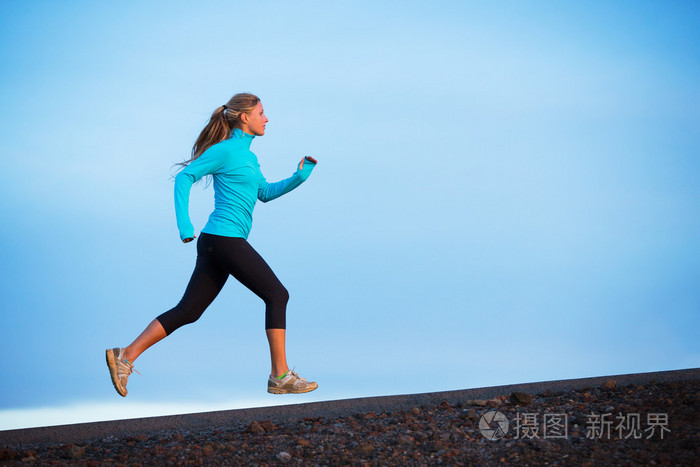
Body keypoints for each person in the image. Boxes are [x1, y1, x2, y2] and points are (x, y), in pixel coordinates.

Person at [106, 93, 318, 397]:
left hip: (219, 243)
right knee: (277, 294)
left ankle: (124, 355)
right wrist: (184, 225)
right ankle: (280, 375)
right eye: (261, 112)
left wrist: (300, 177)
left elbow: (265, 193)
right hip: (223, 239)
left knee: (188, 311)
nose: (266, 118)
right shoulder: (225, 151)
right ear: (244, 117)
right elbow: (184, 177)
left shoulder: (249, 157)